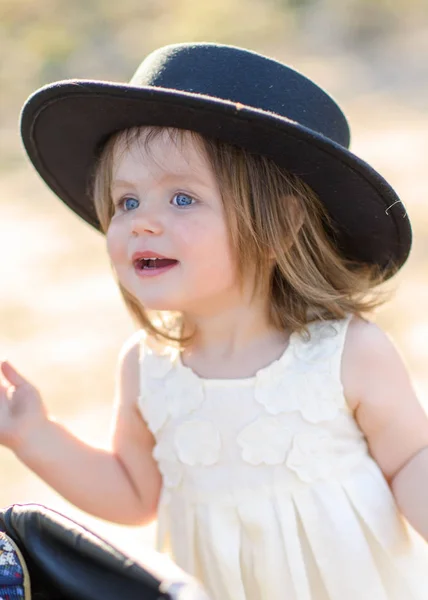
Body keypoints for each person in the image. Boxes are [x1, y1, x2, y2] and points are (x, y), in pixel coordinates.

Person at [1, 42, 428, 600]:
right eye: (126, 202)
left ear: (280, 226)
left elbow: (412, 463)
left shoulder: (346, 353)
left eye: (181, 198)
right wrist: (34, 436)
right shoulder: (147, 367)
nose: (143, 223)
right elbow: (133, 495)